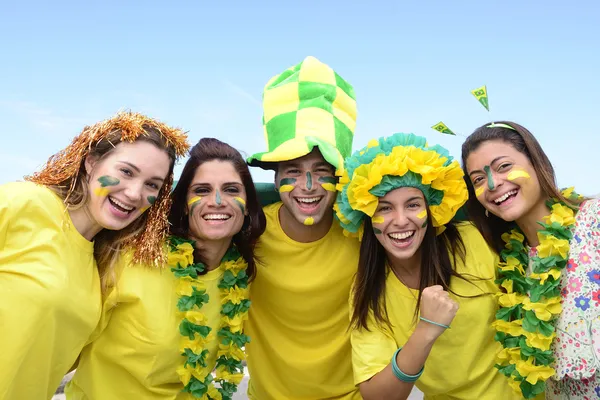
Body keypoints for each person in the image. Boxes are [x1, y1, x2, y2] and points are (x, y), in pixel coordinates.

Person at [0, 111, 189, 399]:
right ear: (91, 162)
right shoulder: (24, 203)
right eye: (126, 172)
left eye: (152, 184)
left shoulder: (99, 265)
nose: (135, 193)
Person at [65, 138, 266, 399]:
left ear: (248, 204)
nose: (217, 201)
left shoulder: (239, 275)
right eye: (202, 190)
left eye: (231, 190)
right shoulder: (130, 259)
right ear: (183, 204)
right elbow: (60, 348)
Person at [336, 132, 521, 399]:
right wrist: (426, 330)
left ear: (432, 209)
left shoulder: (475, 239)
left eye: (413, 204)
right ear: (366, 218)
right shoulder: (369, 289)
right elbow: (377, 396)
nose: (400, 221)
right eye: (384, 209)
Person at [244, 56, 362, 399]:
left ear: (340, 177)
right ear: (276, 177)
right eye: (292, 171)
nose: (307, 185)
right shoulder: (246, 229)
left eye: (322, 171)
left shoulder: (367, 227)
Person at [462, 121, 600, 399]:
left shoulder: (593, 220)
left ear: (537, 162)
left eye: (503, 166)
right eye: (478, 179)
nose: (493, 184)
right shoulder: (507, 267)